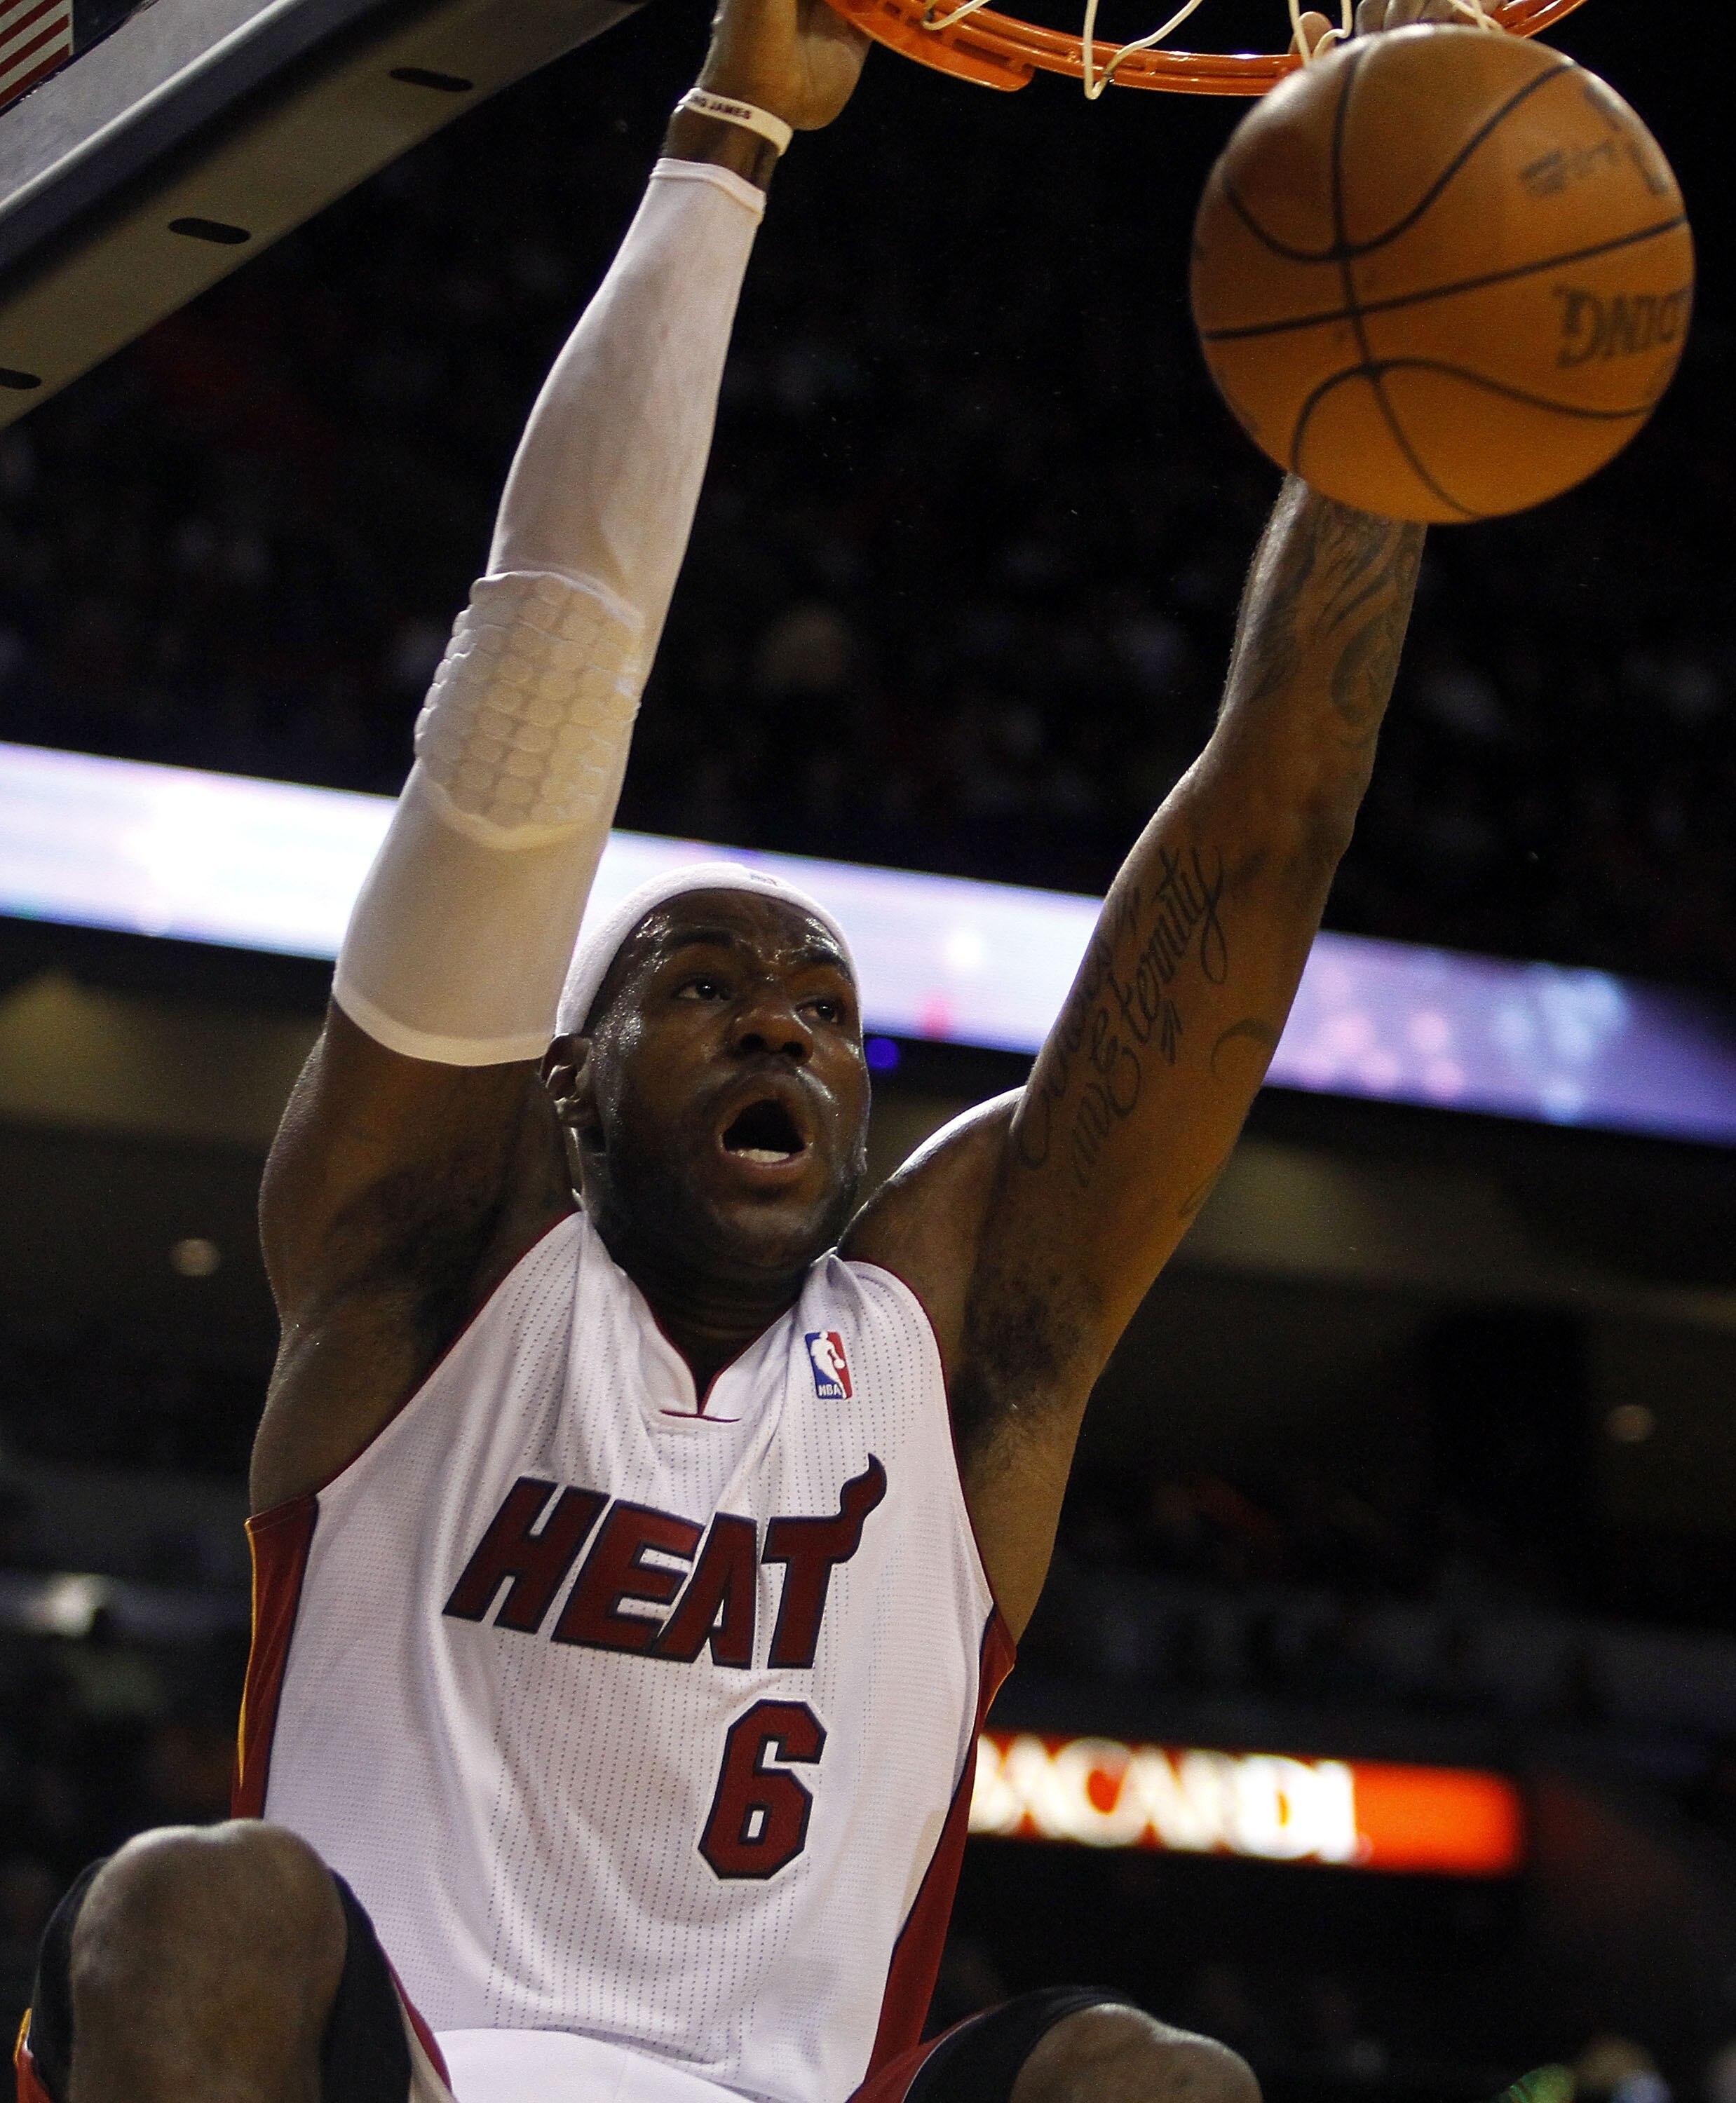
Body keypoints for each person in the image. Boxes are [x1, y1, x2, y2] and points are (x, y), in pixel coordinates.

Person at [15, 1, 1450, 2099]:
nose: (779, 1009)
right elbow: (525, 718)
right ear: (561, 1083)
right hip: (404, 2073)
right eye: (694, 983)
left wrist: (1382, 415)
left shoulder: (947, 1349)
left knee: (1153, 2079)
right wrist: (727, 135)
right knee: (196, 1907)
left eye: (822, 1006)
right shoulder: (428, 1261)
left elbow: (1259, 840)